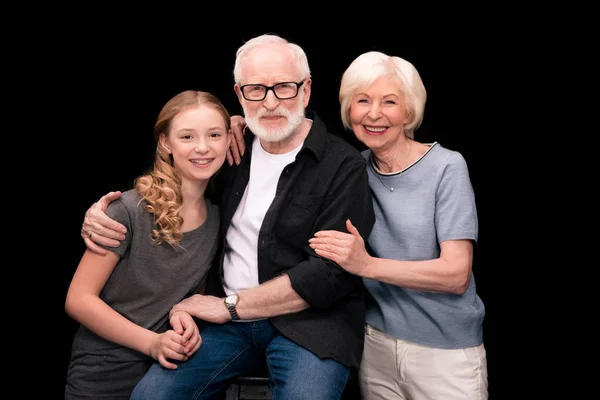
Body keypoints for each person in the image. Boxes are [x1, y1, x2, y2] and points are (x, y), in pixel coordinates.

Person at [79, 34, 375, 400]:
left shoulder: (342, 165)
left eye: (283, 87)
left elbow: (328, 274)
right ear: (239, 94)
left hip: (311, 324)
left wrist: (227, 307)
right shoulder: (230, 148)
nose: (269, 102)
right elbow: (176, 180)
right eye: (255, 89)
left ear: (306, 90)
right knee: (153, 395)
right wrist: (103, 210)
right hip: (228, 328)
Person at [308, 51, 488, 399]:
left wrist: (367, 265)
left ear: (409, 112)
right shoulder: (353, 170)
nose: (374, 114)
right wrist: (239, 125)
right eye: (362, 100)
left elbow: (456, 275)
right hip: (375, 346)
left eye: (389, 101)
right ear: (348, 110)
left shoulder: (447, 167)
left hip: (445, 354)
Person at [65, 90, 232, 400]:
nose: (203, 147)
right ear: (166, 143)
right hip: (103, 375)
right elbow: (78, 299)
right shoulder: (126, 210)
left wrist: (185, 319)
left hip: (170, 377)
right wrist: (151, 343)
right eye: (186, 136)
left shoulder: (220, 219)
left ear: (228, 140)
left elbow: (186, 296)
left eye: (214, 134)